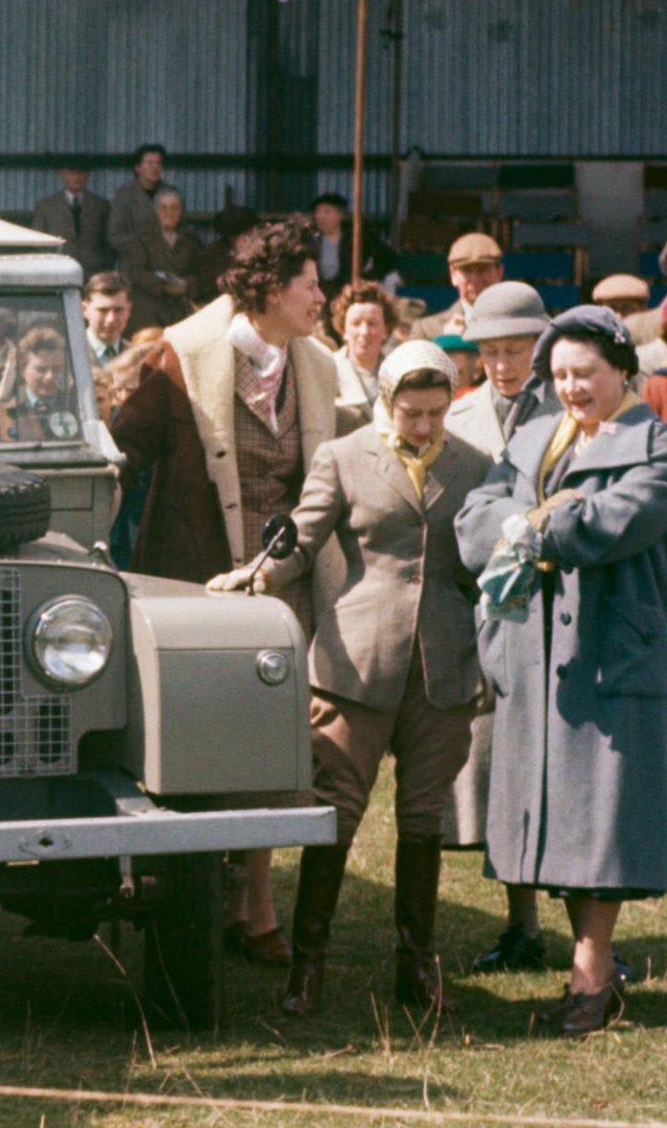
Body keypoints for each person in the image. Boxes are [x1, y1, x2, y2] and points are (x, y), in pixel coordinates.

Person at [211, 342, 489, 1017]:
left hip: (444, 664)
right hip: (356, 662)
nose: (423, 427)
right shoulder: (342, 456)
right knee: (336, 815)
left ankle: (416, 969)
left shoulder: (478, 465)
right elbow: (302, 541)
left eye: (435, 412)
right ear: (385, 403)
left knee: (423, 819)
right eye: (410, 412)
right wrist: (259, 574)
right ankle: (308, 970)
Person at [111, 216, 340, 965]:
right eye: (312, 283)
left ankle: (255, 902)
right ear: (273, 289)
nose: (322, 296)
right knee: (207, 741)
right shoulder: (184, 354)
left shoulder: (318, 364)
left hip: (284, 586)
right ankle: (202, 897)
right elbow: (124, 443)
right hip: (201, 583)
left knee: (276, 744)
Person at [454, 306, 667, 1037]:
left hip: (610, 657)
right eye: (563, 375)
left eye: (588, 374)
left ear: (622, 374)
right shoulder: (535, 437)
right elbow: (475, 517)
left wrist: (532, 524)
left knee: (599, 822)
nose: (573, 388)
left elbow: (617, 522)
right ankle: (594, 971)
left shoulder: (657, 445)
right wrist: (522, 523)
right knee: (569, 824)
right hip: (539, 661)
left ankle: (591, 974)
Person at [438, 281, 561, 976]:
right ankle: (522, 922)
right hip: (490, 618)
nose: (504, 365)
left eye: (516, 350)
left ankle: (585, 931)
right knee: (503, 776)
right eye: (490, 353)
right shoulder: (460, 418)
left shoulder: (574, 409)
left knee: (570, 772)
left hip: (564, 615)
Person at [116, 187, 200, 331]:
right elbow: (135, 272)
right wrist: (164, 287)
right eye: (163, 208)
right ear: (156, 211)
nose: (169, 213)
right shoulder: (142, 237)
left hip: (180, 310)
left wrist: (186, 284)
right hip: (148, 311)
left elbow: (200, 271)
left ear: (181, 211)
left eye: (174, 208)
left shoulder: (191, 239)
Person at [0, 327, 76, 441]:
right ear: (22, 370)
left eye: (57, 369)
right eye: (41, 369)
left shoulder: (75, 410)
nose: (50, 377)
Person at [330, 282, 399, 428]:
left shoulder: (400, 371)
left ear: (385, 330)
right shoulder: (327, 369)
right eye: (356, 324)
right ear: (344, 330)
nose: (364, 332)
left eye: (372, 324)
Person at [413, 232, 504, 340]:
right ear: (453, 275)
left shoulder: (520, 324)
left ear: (499, 273)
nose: (475, 279)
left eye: (483, 269)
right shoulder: (428, 331)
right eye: (467, 271)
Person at [311, 192, 398, 295]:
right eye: (318, 212)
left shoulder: (358, 237)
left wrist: (366, 279)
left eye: (327, 212)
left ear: (340, 215)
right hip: (321, 292)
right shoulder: (311, 239)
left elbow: (389, 258)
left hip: (351, 292)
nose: (320, 216)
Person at [30, 166, 112, 275]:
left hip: (93, 270)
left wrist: (103, 264)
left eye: (81, 173)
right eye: (71, 173)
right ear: (62, 175)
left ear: (87, 176)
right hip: (57, 269)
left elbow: (109, 239)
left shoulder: (101, 205)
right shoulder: (46, 205)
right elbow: (37, 240)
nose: (77, 177)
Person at [107, 143, 170, 257]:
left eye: (159, 163)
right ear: (138, 168)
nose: (155, 167)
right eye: (150, 163)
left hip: (166, 259)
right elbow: (114, 236)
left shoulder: (171, 193)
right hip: (134, 260)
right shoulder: (124, 195)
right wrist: (141, 245)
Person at [81, 272, 133, 366]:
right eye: (103, 310)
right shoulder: (67, 354)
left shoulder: (138, 359)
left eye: (118, 310)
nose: (111, 319)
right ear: (84, 310)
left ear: (128, 310)